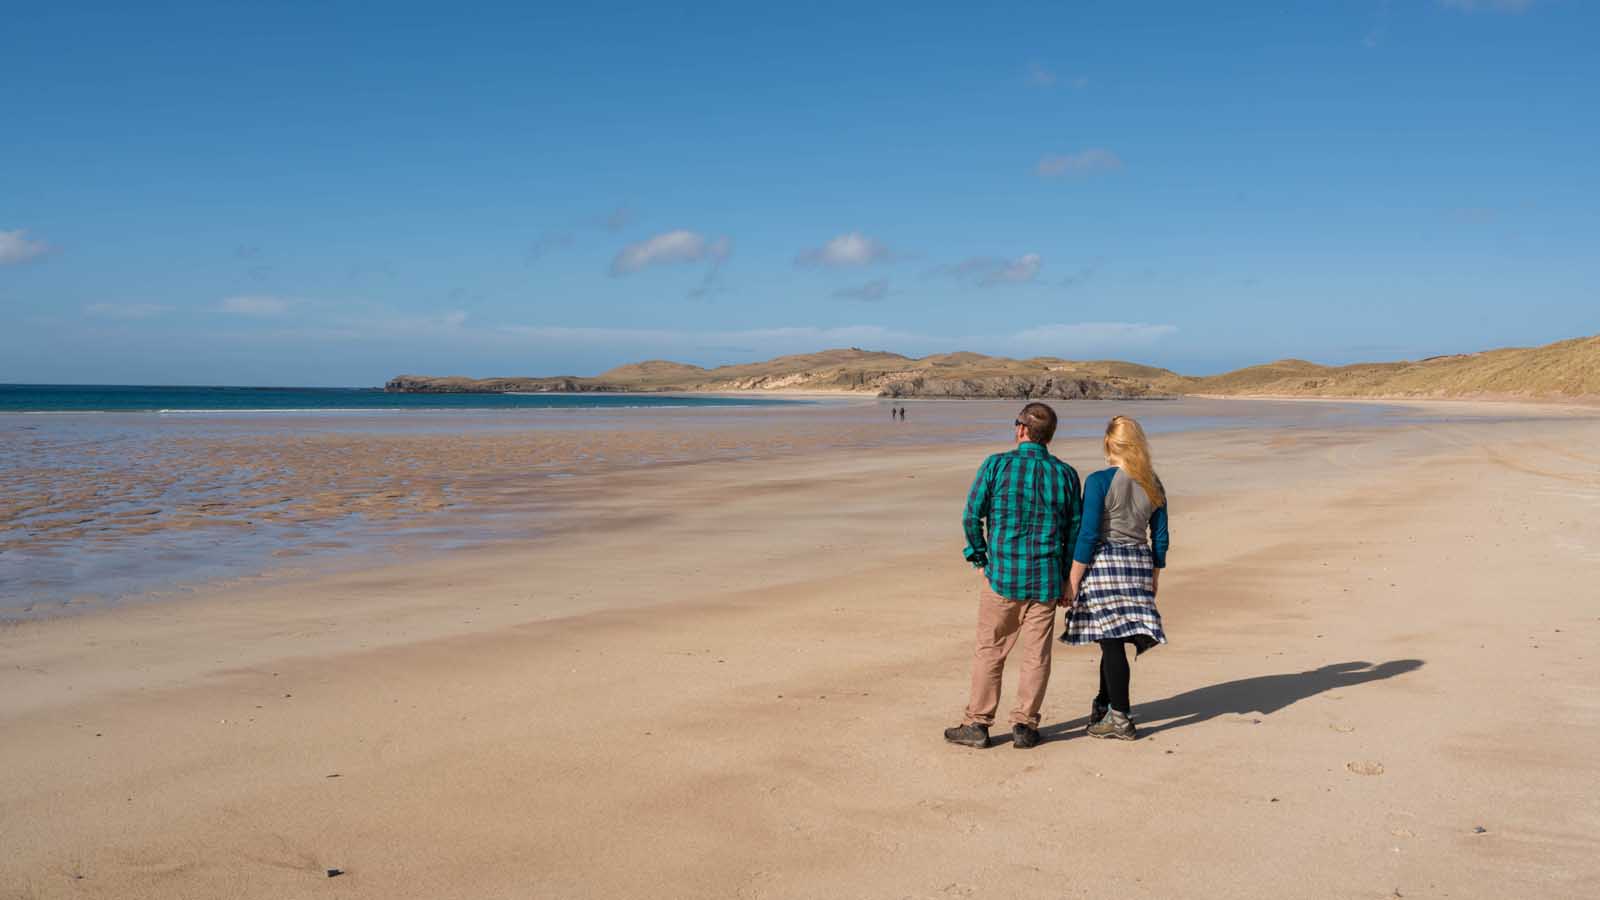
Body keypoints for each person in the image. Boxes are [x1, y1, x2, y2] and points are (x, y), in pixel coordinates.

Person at [944, 402, 1082, 750]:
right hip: (1046, 578)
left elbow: (970, 516)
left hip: (1004, 575)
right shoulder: (1065, 474)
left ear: (1022, 429)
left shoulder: (997, 464)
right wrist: (1067, 577)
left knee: (990, 651)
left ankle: (978, 722)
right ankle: (1024, 724)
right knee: (1037, 656)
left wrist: (979, 557)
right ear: (1048, 436)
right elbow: (1074, 531)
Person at [1061, 415, 1171, 741]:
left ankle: (1121, 719)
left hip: (1105, 563)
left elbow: (1089, 534)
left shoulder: (1098, 481)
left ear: (1109, 445)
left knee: (1110, 643)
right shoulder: (1153, 483)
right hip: (1139, 562)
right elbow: (1160, 537)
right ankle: (1104, 703)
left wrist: (1073, 578)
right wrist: (1154, 575)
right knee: (1111, 640)